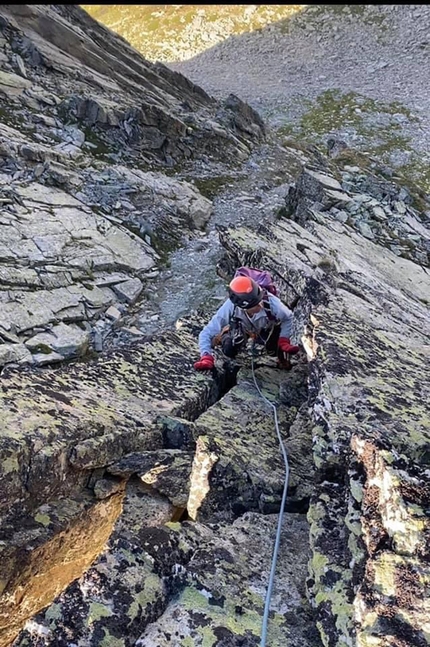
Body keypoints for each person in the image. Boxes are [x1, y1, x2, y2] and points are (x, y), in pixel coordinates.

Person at [194, 275, 300, 371]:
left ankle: (281, 358)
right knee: (229, 349)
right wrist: (206, 356)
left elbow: (289, 317)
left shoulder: (272, 303)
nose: (261, 306)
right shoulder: (230, 307)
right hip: (242, 327)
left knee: (273, 349)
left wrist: (284, 339)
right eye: (256, 306)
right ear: (243, 308)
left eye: (260, 302)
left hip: (265, 328)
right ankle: (224, 335)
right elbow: (206, 333)